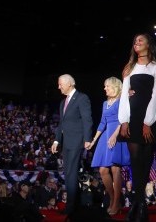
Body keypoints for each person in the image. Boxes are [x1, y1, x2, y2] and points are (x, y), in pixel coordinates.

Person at [118, 33, 156, 222]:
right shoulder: (129, 67)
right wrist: (124, 120)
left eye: (140, 40)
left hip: (149, 118)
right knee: (135, 161)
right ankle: (139, 203)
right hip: (132, 117)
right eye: (135, 40)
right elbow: (124, 96)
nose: (136, 43)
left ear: (148, 45)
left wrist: (148, 121)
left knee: (145, 162)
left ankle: (140, 203)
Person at [51, 74, 94, 216]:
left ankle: (71, 207)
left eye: (60, 84)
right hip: (66, 143)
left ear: (69, 84)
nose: (58, 87)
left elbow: (87, 119)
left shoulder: (82, 98)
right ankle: (73, 205)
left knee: (71, 172)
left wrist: (88, 139)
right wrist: (57, 141)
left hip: (76, 141)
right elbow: (61, 124)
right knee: (68, 173)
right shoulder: (63, 102)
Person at [88, 76, 130, 216]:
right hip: (106, 136)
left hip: (117, 135)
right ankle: (113, 199)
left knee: (115, 169)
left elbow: (124, 119)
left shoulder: (121, 101)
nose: (105, 88)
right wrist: (93, 140)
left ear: (115, 87)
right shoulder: (105, 103)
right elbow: (102, 123)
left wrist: (115, 135)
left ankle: (116, 202)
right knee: (102, 171)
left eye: (107, 86)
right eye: (105, 86)